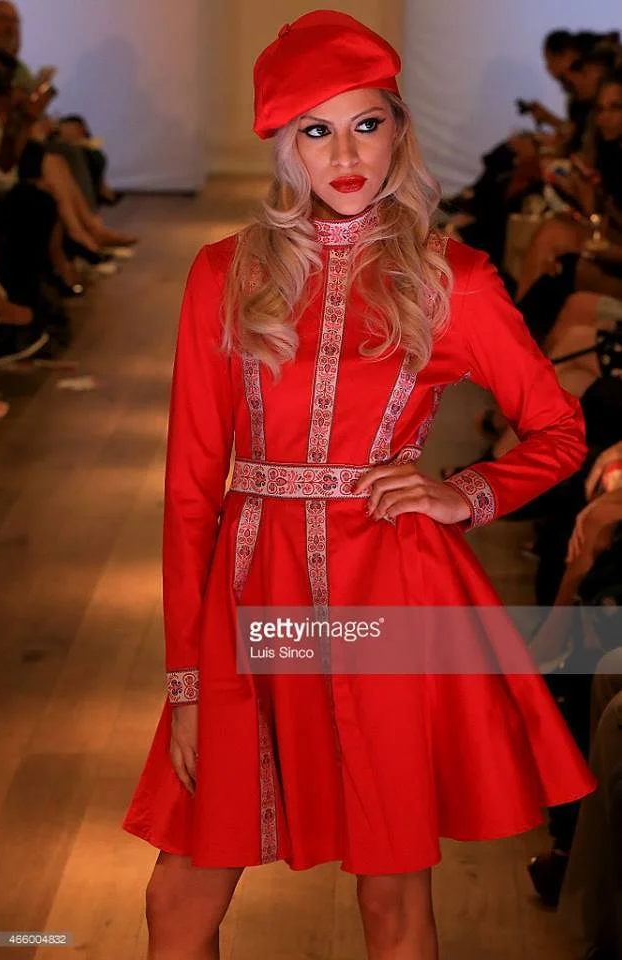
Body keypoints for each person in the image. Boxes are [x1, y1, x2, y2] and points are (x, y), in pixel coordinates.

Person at [122, 12, 597, 960]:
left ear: (398, 128)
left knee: (392, 898)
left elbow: (558, 429)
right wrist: (186, 683)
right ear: (284, 145)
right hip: (251, 602)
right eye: (316, 130)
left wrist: (466, 493)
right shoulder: (224, 274)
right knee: (178, 901)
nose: (345, 156)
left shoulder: (451, 278)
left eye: (366, 124)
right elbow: (189, 492)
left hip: (388, 598)